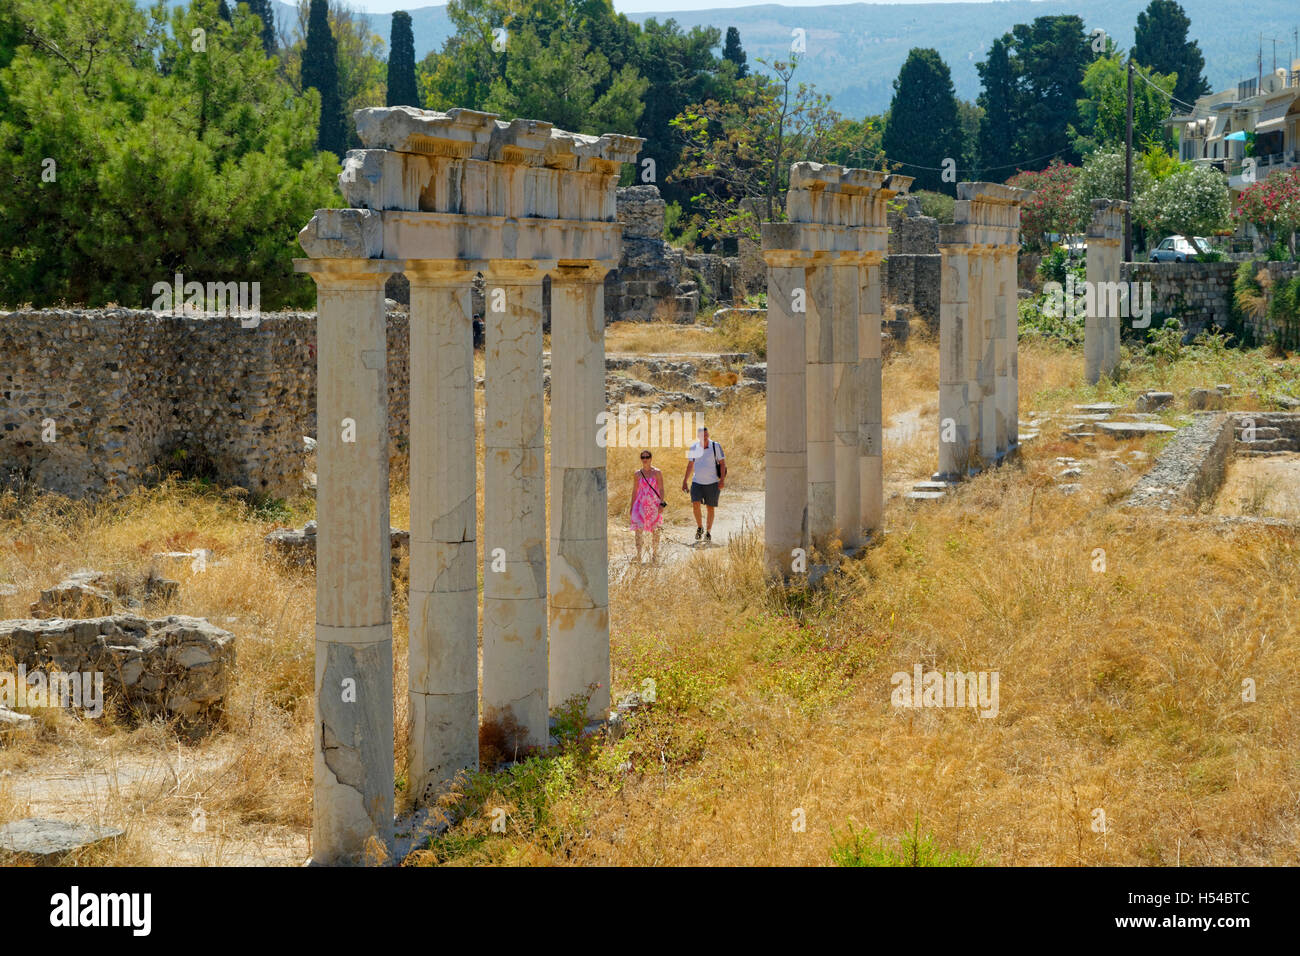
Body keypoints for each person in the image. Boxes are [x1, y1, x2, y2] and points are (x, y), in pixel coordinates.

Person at [682, 426, 725, 543]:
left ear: (708, 434)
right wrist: (685, 481)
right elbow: (690, 465)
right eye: (702, 435)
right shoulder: (694, 447)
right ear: (698, 436)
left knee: (710, 508)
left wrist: (722, 480)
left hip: (712, 483)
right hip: (697, 482)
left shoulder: (716, 446)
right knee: (695, 504)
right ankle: (700, 527)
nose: (704, 436)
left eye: (706, 434)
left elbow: (722, 463)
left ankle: (708, 532)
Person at [629, 450, 665, 563]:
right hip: (640, 504)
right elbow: (635, 490)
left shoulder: (657, 472)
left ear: (651, 458)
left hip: (653, 504)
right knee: (638, 530)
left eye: (647, 457)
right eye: (643, 457)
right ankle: (639, 555)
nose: (645, 459)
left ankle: (655, 555)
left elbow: (661, 488)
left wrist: (661, 503)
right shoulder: (637, 474)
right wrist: (631, 506)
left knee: (656, 530)